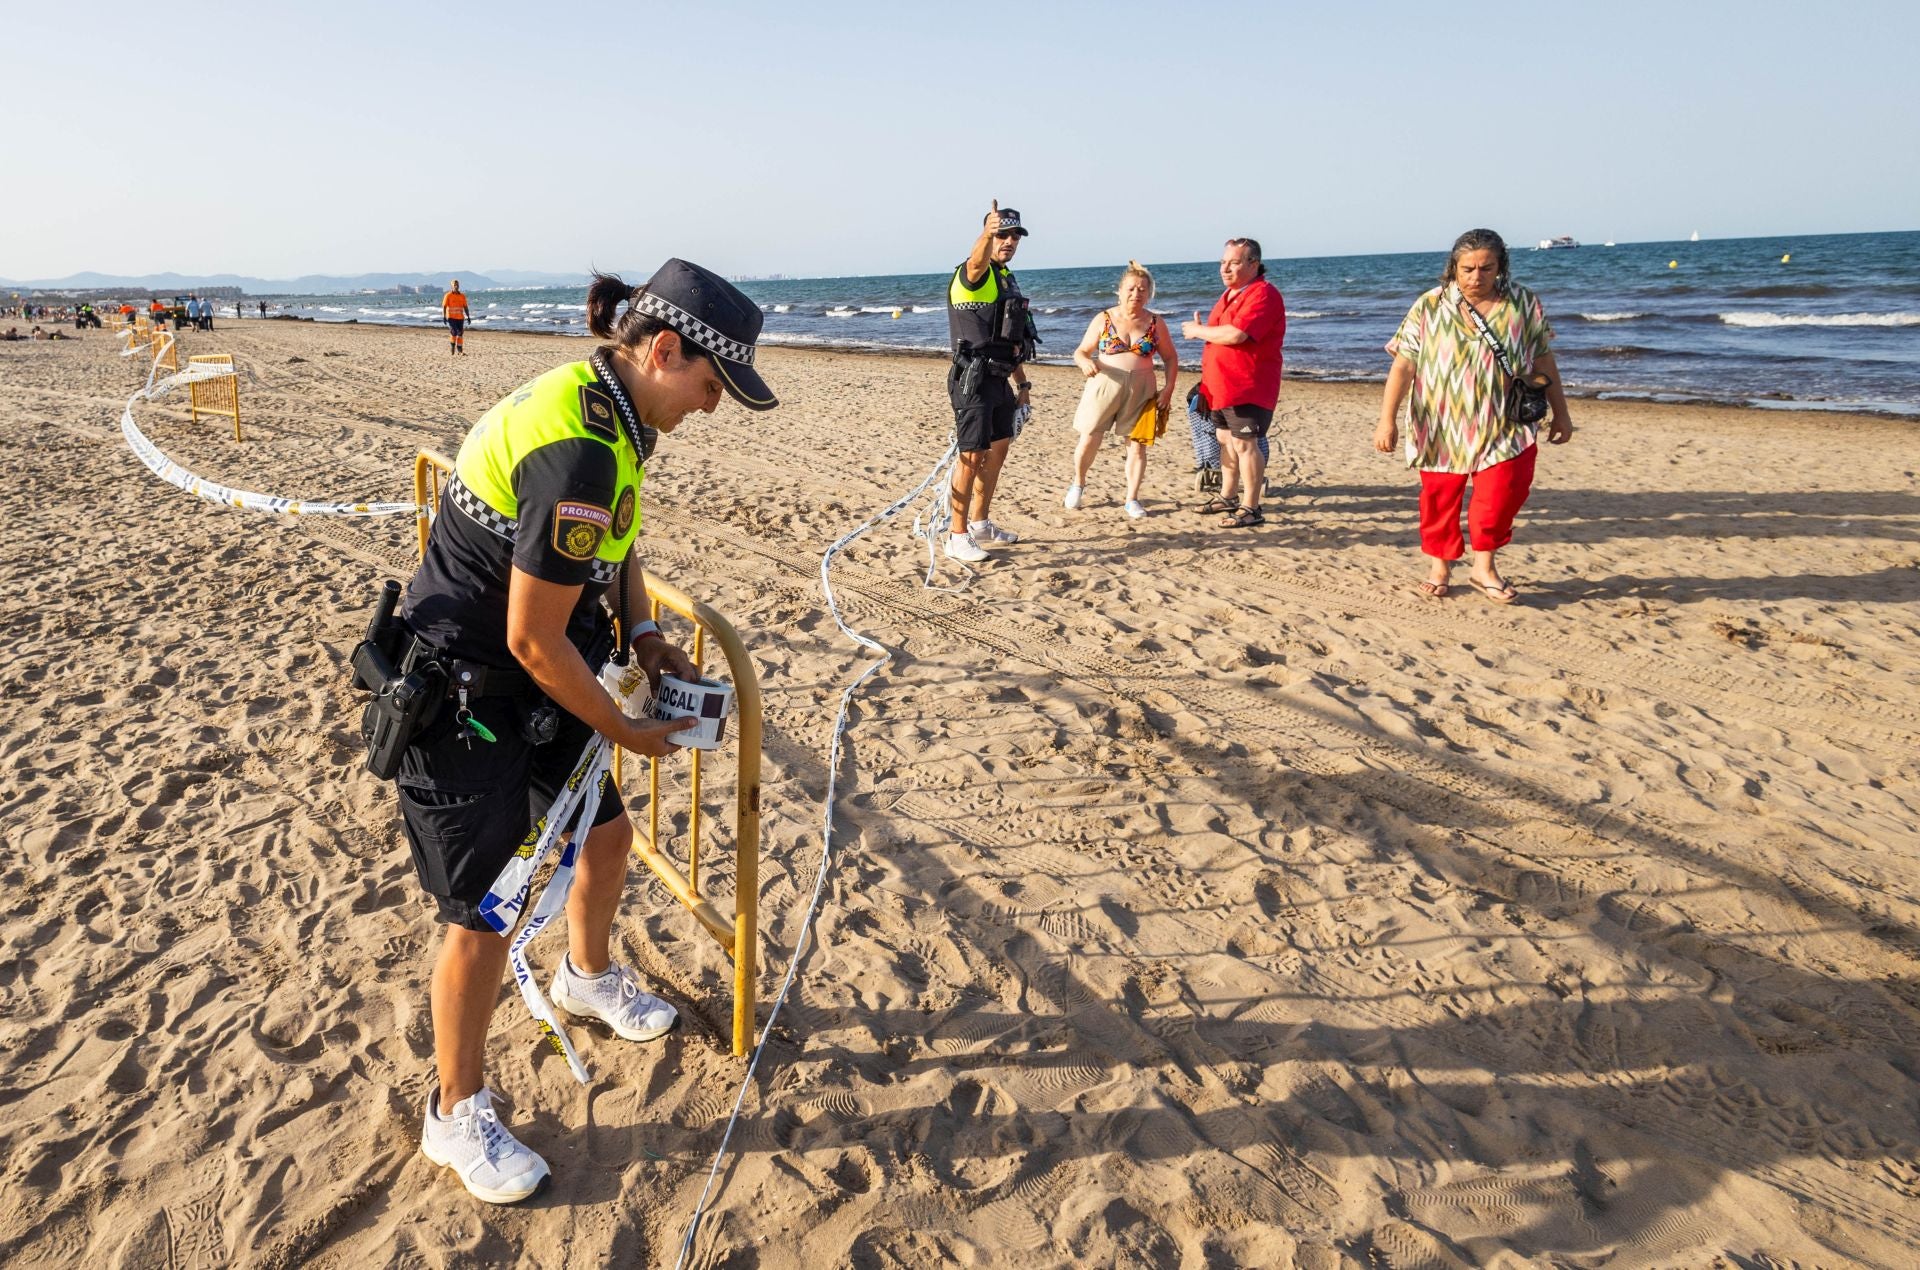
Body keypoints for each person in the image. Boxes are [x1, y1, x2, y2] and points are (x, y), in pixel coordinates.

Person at [385, 257, 778, 1204]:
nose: (714, 406)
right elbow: (528, 633)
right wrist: (626, 727)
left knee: (606, 834)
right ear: (664, 350)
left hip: (537, 679)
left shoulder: (610, 408)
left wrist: (642, 630)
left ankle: (586, 974)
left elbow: (614, 539)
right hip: (472, 696)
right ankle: (454, 1111)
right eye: (712, 384)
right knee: (479, 915)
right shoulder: (583, 444)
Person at [1374, 228, 1572, 603]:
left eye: (1486, 268)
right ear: (1453, 267)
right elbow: (1402, 366)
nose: (1475, 277)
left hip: (1505, 423)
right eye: (1467, 269)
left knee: (1500, 497)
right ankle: (1440, 566)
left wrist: (1561, 413)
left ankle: (1484, 568)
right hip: (1439, 423)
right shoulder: (1429, 305)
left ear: (1501, 267)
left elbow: (1544, 359)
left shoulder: (1523, 303)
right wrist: (1387, 420)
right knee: (1439, 500)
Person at [942, 201, 1037, 562]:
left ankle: (980, 522)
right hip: (972, 379)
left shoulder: (1005, 278)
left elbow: (1011, 339)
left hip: (1000, 379)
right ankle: (957, 534)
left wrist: (1023, 386)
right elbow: (976, 261)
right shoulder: (975, 273)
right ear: (988, 236)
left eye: (1014, 235)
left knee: (997, 453)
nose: (1008, 241)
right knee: (971, 456)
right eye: (1002, 234)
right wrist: (986, 232)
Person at [1183, 238, 1286, 528]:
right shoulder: (1230, 295)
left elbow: (1237, 335)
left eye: (1234, 262)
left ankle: (1251, 507)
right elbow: (1223, 334)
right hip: (1220, 386)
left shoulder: (1263, 294)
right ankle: (1228, 496)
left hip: (1247, 385)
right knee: (1225, 439)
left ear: (1254, 264)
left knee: (1245, 444)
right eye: (1223, 262)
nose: (1225, 268)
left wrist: (1198, 330)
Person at [1063, 262, 1178, 518]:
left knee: (1137, 445)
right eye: (1131, 288)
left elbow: (1170, 358)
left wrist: (1168, 388)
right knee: (1090, 437)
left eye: (1142, 289)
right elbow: (1081, 351)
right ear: (1120, 290)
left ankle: (1132, 499)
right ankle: (1078, 484)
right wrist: (1084, 362)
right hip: (1104, 383)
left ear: (1149, 293)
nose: (1136, 293)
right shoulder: (1104, 318)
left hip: (1142, 387)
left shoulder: (1155, 322)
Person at [442, 279, 471, 356]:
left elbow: (465, 307)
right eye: (454, 285)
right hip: (451, 318)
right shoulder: (448, 295)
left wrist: (468, 317)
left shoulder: (462, 296)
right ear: (452, 286)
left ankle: (460, 350)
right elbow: (444, 307)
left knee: (460, 334)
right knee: (454, 332)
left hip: (460, 318)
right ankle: (452, 347)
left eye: (457, 285)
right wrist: (444, 316)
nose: (456, 286)